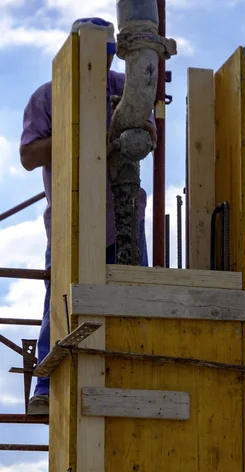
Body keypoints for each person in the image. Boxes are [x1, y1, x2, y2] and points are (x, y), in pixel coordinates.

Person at [19, 17, 157, 415]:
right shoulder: (49, 97)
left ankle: (130, 378)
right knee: (60, 301)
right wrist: (81, 129)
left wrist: (134, 135)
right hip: (70, 218)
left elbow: (149, 132)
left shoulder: (120, 88)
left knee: (131, 295)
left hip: (124, 213)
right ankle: (46, 386)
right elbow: (29, 156)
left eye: (106, 57)